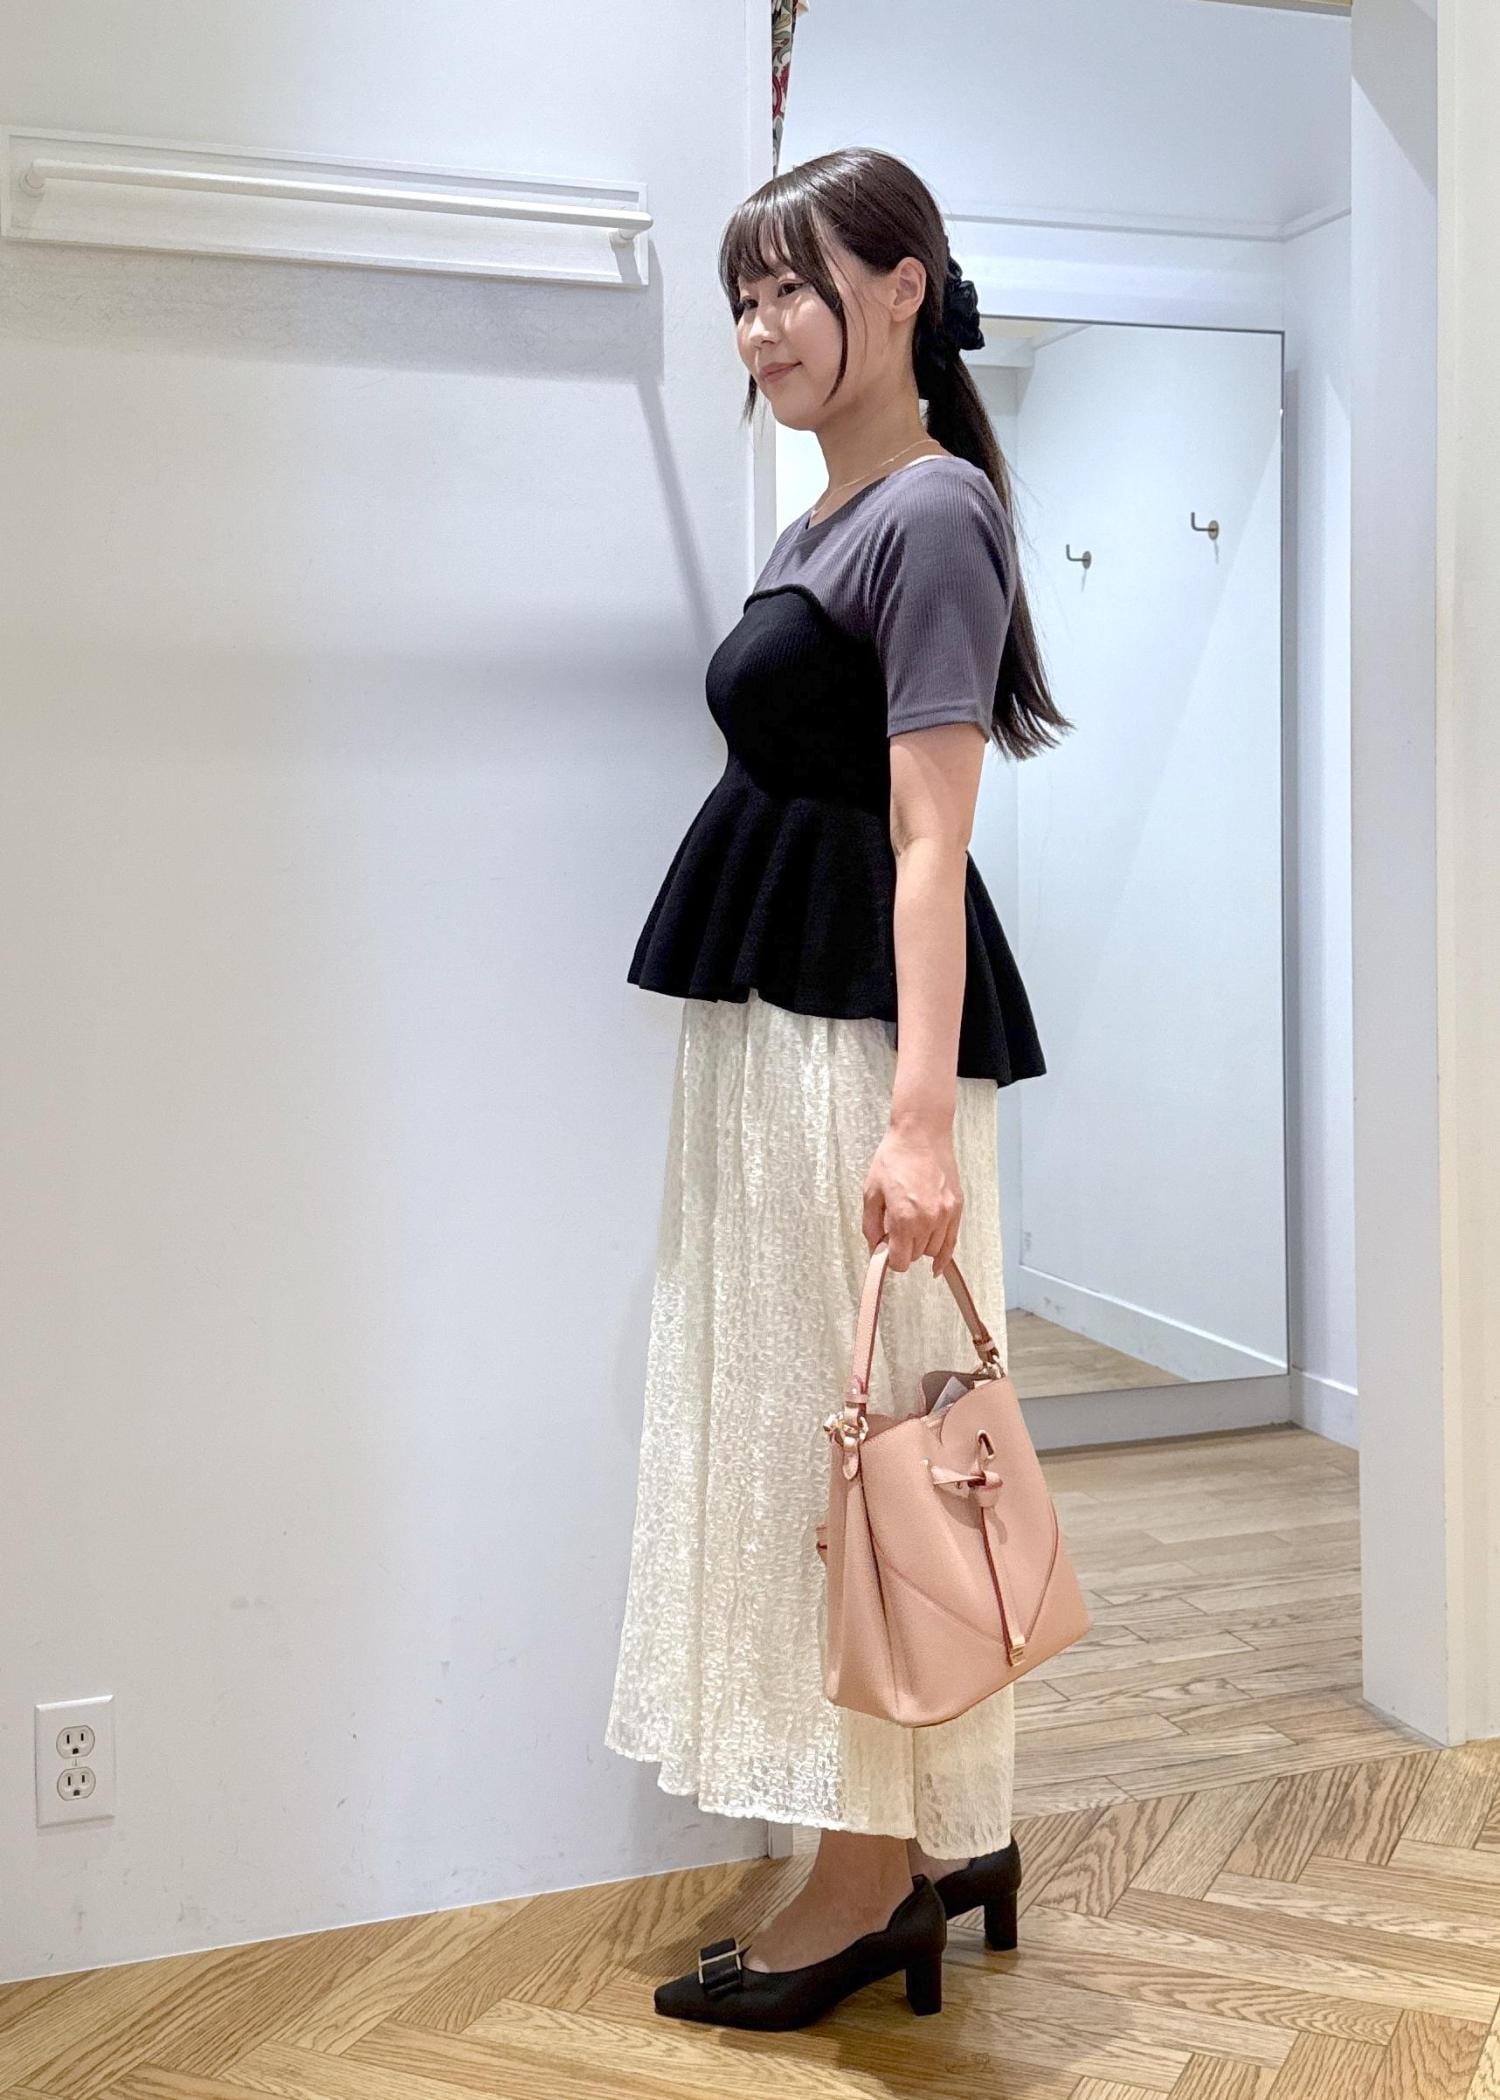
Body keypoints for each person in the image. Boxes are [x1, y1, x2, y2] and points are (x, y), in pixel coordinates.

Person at [604, 144, 1072, 2030]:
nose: (759, 326)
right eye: (743, 296)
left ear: (902, 289)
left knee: (862, 1450)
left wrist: (918, 1125)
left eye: (792, 286)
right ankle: (917, 1839)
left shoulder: (935, 510)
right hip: (782, 1030)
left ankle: (875, 1879)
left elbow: (931, 837)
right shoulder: (831, 512)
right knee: (816, 1429)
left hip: (857, 1044)